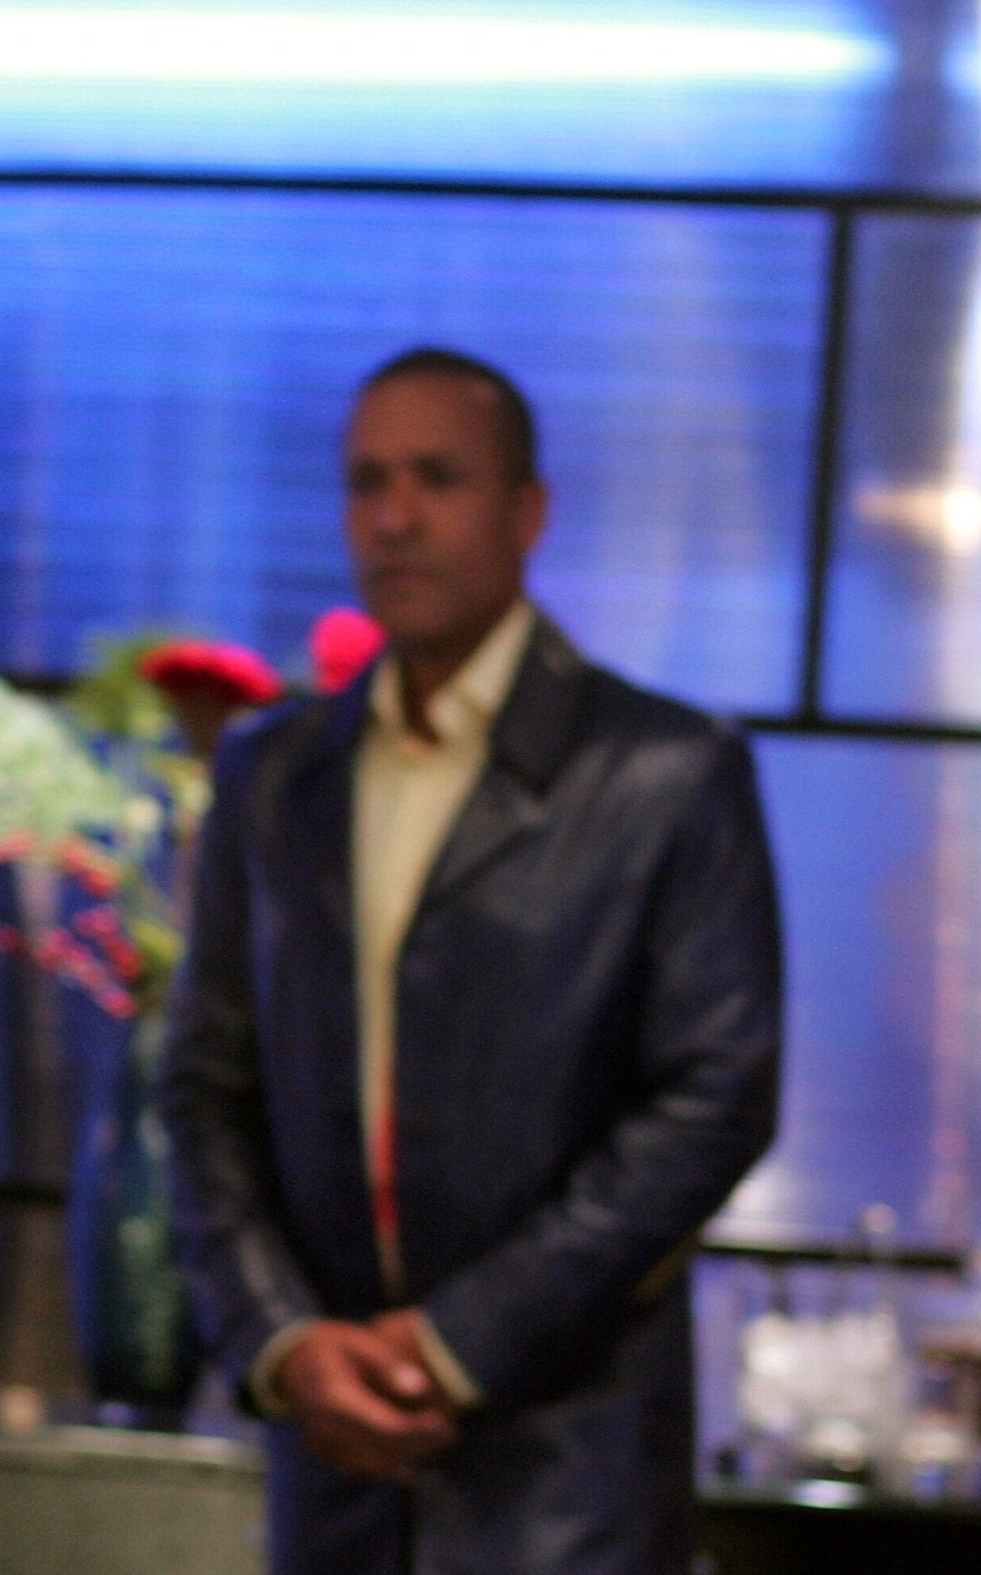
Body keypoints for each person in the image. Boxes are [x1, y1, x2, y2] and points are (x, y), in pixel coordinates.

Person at [158, 346, 782, 1573]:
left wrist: (452, 1342)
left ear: (527, 510)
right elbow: (201, 1087)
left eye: (437, 478)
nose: (393, 518)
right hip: (328, 1472)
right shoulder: (273, 774)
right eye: (365, 482)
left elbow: (715, 1100)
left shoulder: (665, 774)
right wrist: (282, 1341)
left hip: (566, 1481)